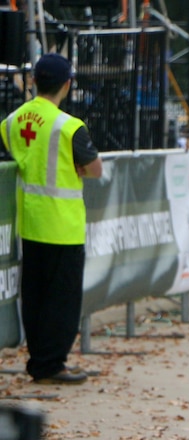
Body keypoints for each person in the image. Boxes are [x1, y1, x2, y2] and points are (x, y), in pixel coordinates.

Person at [1, 54, 102, 385]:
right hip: (63, 226)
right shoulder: (70, 126)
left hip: (30, 223)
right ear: (67, 85)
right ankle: (51, 364)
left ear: (32, 81)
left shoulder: (12, 121)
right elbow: (94, 169)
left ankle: (38, 359)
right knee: (62, 300)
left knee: (35, 296)